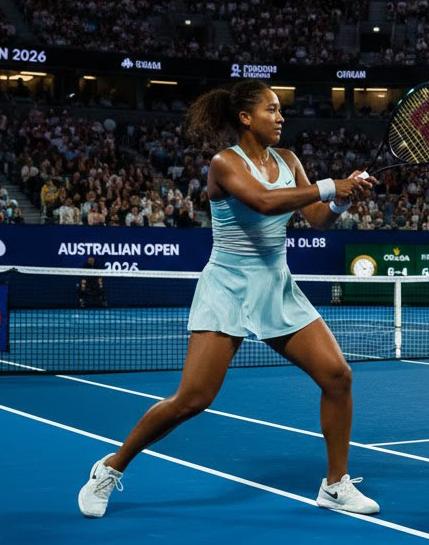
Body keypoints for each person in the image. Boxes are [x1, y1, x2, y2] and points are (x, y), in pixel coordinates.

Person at [78, 81, 376, 519]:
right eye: (272, 110)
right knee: (193, 399)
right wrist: (332, 185)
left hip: (276, 284)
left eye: (280, 110)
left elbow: (316, 221)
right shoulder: (224, 164)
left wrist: (342, 202)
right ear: (245, 118)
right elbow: (263, 201)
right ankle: (109, 467)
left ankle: (335, 486)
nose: (281, 117)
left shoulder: (288, 160)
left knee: (337, 376)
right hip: (228, 286)